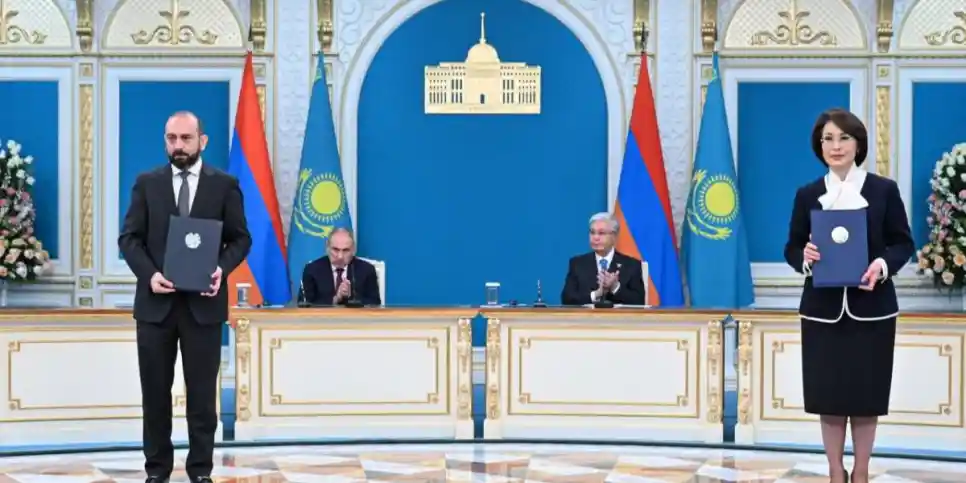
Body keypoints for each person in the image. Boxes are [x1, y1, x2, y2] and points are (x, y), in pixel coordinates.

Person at [118, 111, 251, 483]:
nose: (178, 146)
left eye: (185, 138)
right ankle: (157, 470)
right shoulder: (147, 184)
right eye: (171, 138)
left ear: (202, 141)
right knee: (155, 395)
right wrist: (151, 275)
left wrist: (221, 269)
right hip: (155, 309)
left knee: (203, 398)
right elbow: (129, 239)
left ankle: (201, 470)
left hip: (203, 308)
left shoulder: (224, 185)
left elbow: (241, 238)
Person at [784, 108, 913, 483]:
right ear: (819, 146)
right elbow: (791, 248)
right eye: (828, 139)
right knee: (829, 397)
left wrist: (881, 266)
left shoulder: (883, 190)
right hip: (822, 312)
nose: (835, 146)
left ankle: (861, 470)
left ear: (859, 144)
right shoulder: (808, 194)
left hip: (872, 311)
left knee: (865, 397)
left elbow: (902, 244)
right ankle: (835, 470)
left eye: (844, 138)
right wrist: (805, 257)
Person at [561, 212, 647, 306]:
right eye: (592, 232)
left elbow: (639, 302)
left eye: (601, 233)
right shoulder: (577, 264)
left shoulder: (632, 265)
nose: (595, 237)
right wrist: (595, 294)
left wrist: (615, 287)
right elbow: (567, 299)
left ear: (614, 236)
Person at [299, 227, 382, 306]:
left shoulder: (367, 270)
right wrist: (336, 299)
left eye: (346, 250)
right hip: (322, 316)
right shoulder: (312, 270)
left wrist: (351, 297)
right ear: (327, 248)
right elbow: (304, 303)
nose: (340, 256)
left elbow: (375, 304)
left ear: (353, 250)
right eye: (335, 250)